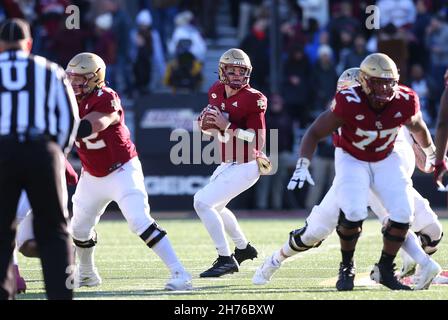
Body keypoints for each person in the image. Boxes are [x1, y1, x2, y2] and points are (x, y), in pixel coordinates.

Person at [253, 67, 443, 290]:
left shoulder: (394, 109)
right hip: (356, 174)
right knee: (313, 233)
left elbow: (420, 157)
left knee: (432, 232)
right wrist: (303, 163)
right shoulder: (345, 112)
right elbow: (315, 132)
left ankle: (410, 265)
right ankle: (275, 260)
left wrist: (431, 156)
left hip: (392, 177)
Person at [65, 52, 192, 291]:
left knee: (139, 221)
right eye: (71, 77)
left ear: (95, 78)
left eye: (80, 78)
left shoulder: (107, 97)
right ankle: (88, 273)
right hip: (91, 174)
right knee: (79, 229)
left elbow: (91, 126)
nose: (74, 83)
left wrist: (56, 124)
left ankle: (180, 273)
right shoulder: (67, 98)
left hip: (121, 170)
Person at [0, 18, 79, 300]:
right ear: (29, 44)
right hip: (41, 151)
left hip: (2, 152)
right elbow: (70, 117)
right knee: (55, 233)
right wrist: (57, 153)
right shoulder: (50, 69)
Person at [194, 48, 267, 277]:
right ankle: (243, 248)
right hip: (228, 162)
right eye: (232, 70)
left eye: (241, 71)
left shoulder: (254, 98)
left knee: (202, 203)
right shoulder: (215, 91)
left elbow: (258, 140)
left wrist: (227, 126)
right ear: (222, 71)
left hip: (247, 164)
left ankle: (226, 259)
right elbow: (209, 128)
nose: (237, 75)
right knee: (217, 206)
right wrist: (204, 125)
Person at [13, 159, 79, 294]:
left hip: (26, 192)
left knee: (6, 230)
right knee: (26, 246)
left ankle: (14, 276)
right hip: (47, 192)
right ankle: (64, 255)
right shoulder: (45, 141)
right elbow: (72, 176)